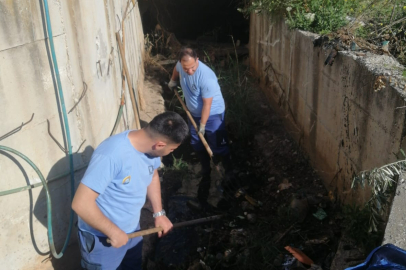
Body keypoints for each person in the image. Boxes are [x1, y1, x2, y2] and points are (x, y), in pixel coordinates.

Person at [72, 112, 189, 270]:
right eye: (172, 149)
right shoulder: (112, 154)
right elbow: (81, 204)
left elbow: (152, 174)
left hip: (132, 230)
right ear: (160, 144)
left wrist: (159, 214)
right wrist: (112, 231)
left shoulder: (150, 149)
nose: (171, 153)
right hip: (103, 238)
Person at [168, 47, 231, 207]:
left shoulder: (206, 77)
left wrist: (202, 125)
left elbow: (207, 106)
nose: (189, 71)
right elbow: (176, 69)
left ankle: (226, 170)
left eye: (192, 68)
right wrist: (173, 80)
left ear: (197, 60)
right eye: (186, 68)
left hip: (213, 114)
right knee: (196, 141)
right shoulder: (181, 65)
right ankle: (205, 169)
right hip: (194, 114)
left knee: (218, 144)